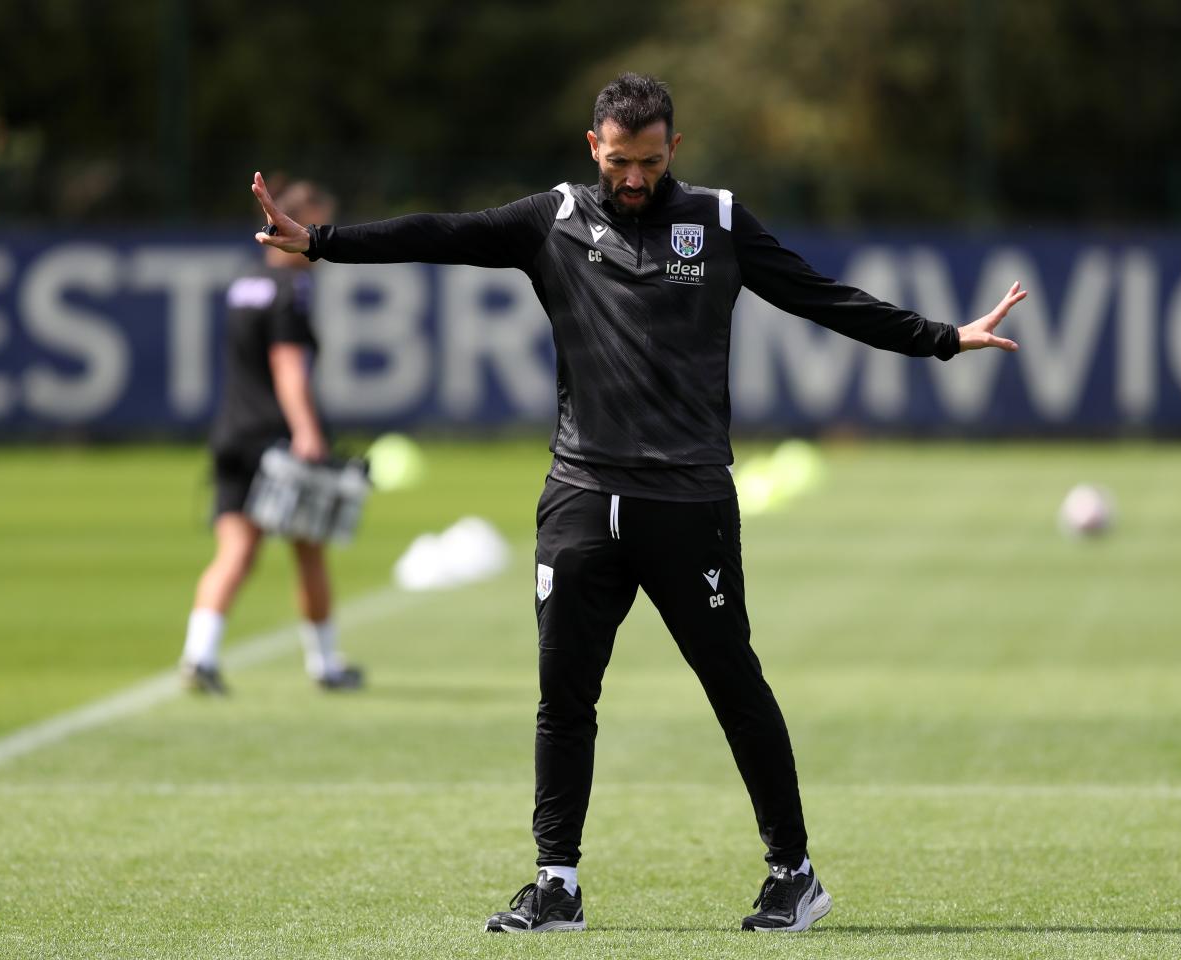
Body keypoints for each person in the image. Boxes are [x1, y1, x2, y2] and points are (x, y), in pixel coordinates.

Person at [251, 74, 1024, 933]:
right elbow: (443, 234)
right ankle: (556, 884)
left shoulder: (720, 221)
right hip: (580, 498)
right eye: (619, 161)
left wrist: (944, 339)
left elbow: (823, 298)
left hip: (688, 501)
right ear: (593, 148)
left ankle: (793, 872)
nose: (633, 178)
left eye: (650, 162)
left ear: (675, 149)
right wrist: (319, 241)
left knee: (732, 683)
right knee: (563, 695)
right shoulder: (552, 219)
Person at [180, 179, 363, 695]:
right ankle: (325, 664)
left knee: (234, 551)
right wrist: (308, 433)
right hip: (276, 440)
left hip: (231, 432)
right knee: (309, 549)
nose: (320, 242)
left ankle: (200, 655)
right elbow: (287, 369)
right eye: (317, 226)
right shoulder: (292, 290)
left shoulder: (244, 284)